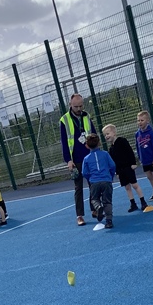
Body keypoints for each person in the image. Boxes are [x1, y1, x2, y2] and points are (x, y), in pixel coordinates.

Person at [60, 94, 97, 226]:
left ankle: (95, 208)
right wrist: (68, 160)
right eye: (76, 106)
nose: (79, 108)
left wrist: (95, 149)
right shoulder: (64, 120)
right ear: (70, 105)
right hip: (75, 159)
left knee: (93, 184)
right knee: (78, 188)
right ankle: (80, 215)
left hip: (89, 156)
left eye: (81, 105)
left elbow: (93, 133)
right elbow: (64, 142)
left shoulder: (86, 116)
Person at [102, 124, 148, 212]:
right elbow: (113, 162)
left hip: (128, 167)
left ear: (114, 133)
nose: (106, 136)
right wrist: (117, 172)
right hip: (121, 170)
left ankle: (143, 201)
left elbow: (129, 151)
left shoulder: (122, 141)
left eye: (108, 134)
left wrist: (133, 163)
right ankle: (133, 203)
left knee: (134, 184)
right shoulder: (111, 149)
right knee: (127, 187)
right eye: (105, 135)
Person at [81, 134, 116, 228]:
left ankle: (98, 207)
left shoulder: (86, 158)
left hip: (94, 182)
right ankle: (109, 221)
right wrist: (110, 176)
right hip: (106, 180)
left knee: (94, 199)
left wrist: (90, 179)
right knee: (107, 201)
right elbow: (112, 166)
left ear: (87, 146)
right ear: (99, 143)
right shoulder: (105, 154)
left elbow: (84, 172)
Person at [135, 111, 153, 201]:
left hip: (152, 159)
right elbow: (137, 147)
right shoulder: (137, 134)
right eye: (138, 120)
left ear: (147, 121)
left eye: (142, 120)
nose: (140, 122)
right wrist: (140, 157)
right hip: (145, 160)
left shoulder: (151, 133)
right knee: (149, 176)